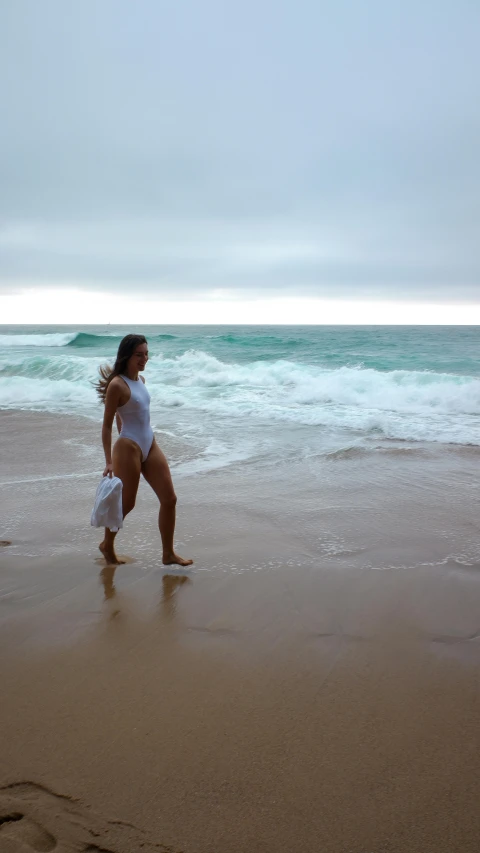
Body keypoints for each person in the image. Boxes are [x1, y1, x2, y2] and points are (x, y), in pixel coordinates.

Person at [95, 333, 193, 567]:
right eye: (139, 355)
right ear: (127, 356)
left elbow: (126, 412)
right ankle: (107, 544)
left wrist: (123, 422)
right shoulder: (117, 384)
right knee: (127, 504)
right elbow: (107, 425)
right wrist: (109, 460)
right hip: (128, 446)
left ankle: (168, 554)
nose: (144, 359)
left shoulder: (142, 381)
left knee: (169, 499)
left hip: (150, 442)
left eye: (146, 354)